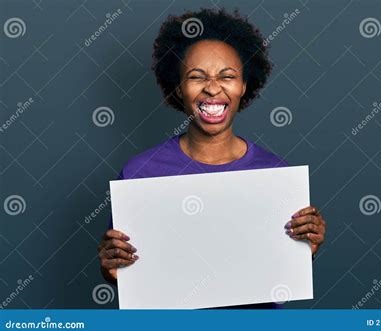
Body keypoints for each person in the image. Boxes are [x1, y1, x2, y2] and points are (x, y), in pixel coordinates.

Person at [97, 8, 326, 308]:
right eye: (196, 76)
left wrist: (307, 245)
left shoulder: (276, 175)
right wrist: (110, 268)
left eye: (227, 76)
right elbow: (128, 272)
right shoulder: (140, 173)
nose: (213, 87)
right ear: (179, 88)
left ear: (244, 85)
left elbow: (280, 270)